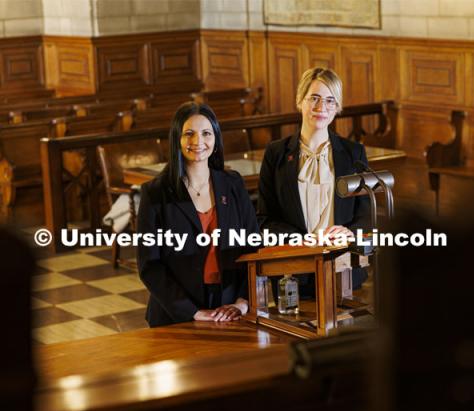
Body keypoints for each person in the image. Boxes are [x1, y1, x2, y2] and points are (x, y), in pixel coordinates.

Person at [137, 102, 259, 327]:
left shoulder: (233, 184)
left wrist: (243, 301)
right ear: (177, 139)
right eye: (189, 134)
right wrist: (192, 312)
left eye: (206, 133)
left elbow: (253, 247)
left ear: (216, 138)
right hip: (175, 314)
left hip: (230, 310)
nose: (198, 142)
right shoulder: (155, 193)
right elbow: (150, 266)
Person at [257, 67, 370, 290]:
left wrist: (350, 232)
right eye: (314, 99)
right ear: (300, 100)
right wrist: (299, 239)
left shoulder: (354, 153)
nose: (321, 108)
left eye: (330, 101)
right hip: (293, 273)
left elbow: (366, 215)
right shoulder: (276, 153)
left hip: (343, 272)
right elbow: (264, 219)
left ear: (337, 107)